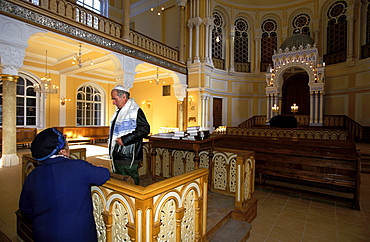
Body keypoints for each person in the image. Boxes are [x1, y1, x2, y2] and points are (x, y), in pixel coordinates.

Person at [19, 128, 110, 242]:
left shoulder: (32, 176)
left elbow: (25, 209)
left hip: (43, 235)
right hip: (78, 236)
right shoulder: (79, 167)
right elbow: (104, 174)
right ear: (62, 151)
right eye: (67, 145)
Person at [109, 85, 150, 185]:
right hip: (118, 154)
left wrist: (125, 139)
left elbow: (145, 129)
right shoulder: (119, 112)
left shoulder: (135, 111)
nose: (113, 102)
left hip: (128, 156)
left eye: (115, 99)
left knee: (130, 183)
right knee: (119, 181)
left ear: (123, 96)